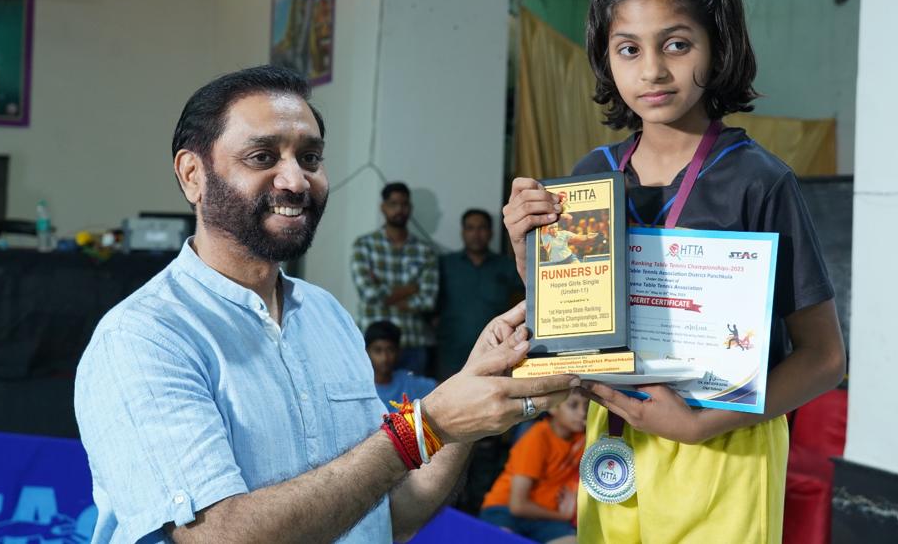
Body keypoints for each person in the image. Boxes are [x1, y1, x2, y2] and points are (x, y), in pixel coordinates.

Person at [74, 65, 579, 544]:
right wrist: (426, 426)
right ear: (193, 175)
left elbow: (387, 514)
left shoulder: (327, 316)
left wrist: (466, 406)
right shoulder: (144, 338)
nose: (296, 180)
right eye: (262, 157)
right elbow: (217, 535)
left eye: (310, 158)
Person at [502, 0, 846, 543]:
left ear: (718, 47)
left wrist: (699, 425)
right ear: (606, 58)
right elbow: (574, 327)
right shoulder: (592, 175)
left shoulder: (759, 180)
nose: (653, 71)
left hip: (726, 445)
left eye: (677, 44)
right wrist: (526, 255)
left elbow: (824, 358)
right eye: (629, 49)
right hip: (615, 441)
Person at [478, 389, 588, 544]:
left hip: (544, 519)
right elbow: (518, 505)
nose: (582, 413)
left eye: (587, 407)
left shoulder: (584, 440)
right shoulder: (537, 437)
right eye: (573, 405)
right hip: (504, 510)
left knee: (574, 541)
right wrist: (563, 516)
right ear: (553, 407)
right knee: (503, 538)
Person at [351, 182, 438, 375]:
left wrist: (384, 294)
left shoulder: (425, 251)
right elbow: (368, 294)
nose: (399, 209)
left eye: (404, 204)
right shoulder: (365, 245)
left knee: (413, 395)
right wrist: (410, 289)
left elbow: (427, 301)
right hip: (374, 345)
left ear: (410, 208)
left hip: (412, 343)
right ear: (383, 207)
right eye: (393, 204)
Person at [436, 209, 523, 380]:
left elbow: (530, 294)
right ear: (463, 232)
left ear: (491, 232)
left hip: (494, 350)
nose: (476, 234)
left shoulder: (505, 266)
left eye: (482, 228)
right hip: (451, 352)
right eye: (470, 228)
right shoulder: (446, 264)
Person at [365, 320, 437, 406]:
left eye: (390, 350)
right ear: (366, 353)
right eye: (378, 350)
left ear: (399, 352)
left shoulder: (407, 381)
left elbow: (442, 389)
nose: (384, 358)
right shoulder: (362, 389)